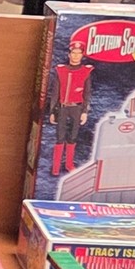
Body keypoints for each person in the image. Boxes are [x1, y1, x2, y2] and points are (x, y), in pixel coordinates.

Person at [48, 36, 93, 177]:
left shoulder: (86, 71)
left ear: (82, 55)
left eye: (79, 53)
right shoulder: (60, 70)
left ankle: (69, 164)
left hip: (76, 108)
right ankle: (56, 167)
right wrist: (52, 111)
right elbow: (55, 93)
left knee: (73, 136)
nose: (76, 56)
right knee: (60, 136)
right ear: (69, 54)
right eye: (73, 53)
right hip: (62, 107)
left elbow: (87, 93)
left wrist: (84, 111)